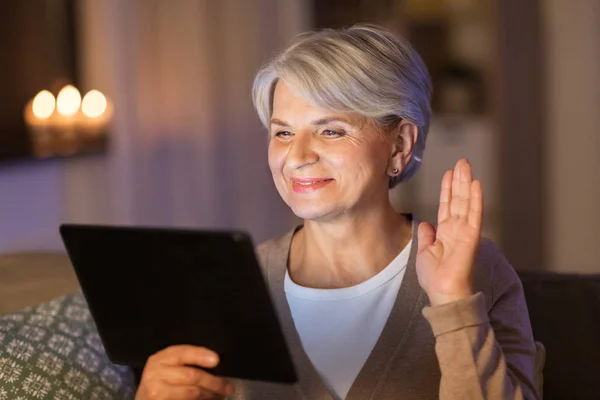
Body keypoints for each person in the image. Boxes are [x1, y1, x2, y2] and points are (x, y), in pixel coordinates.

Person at [135, 24, 538, 400]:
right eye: (283, 133)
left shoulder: (478, 270)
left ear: (399, 145)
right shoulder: (237, 281)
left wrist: (453, 304)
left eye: (331, 130)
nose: (297, 156)